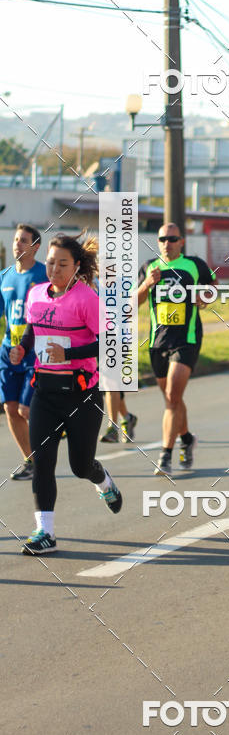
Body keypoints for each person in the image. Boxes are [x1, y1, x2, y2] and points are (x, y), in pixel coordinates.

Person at [11, 233, 122, 554]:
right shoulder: (36, 295)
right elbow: (33, 332)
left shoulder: (87, 299)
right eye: (50, 262)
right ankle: (45, 533)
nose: (55, 269)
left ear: (76, 267)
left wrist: (69, 354)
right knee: (42, 463)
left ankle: (102, 480)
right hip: (44, 392)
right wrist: (21, 349)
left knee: (79, 466)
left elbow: (109, 342)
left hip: (82, 396)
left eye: (63, 263)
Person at [137, 223, 214, 476]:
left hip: (187, 339)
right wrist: (147, 284)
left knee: (171, 397)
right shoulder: (150, 267)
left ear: (181, 241)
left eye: (172, 238)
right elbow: (131, 304)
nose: (167, 243)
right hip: (158, 342)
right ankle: (187, 438)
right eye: (162, 239)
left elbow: (214, 286)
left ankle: (165, 455)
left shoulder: (194, 264)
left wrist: (204, 297)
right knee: (173, 399)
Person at [0, 225, 47, 480]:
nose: (17, 244)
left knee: (25, 410)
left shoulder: (44, 274)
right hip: (9, 352)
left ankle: (48, 444)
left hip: (35, 352)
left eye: (23, 241)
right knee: (10, 407)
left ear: (35, 246)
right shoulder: (4, 276)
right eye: (16, 239)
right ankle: (32, 461)